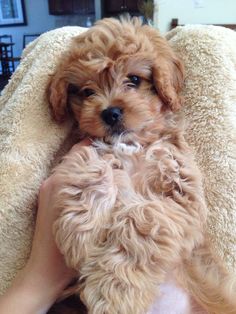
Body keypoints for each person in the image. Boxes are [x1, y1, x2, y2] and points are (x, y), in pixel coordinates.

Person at [0, 140, 202, 314]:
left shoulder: (170, 157)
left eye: (132, 90)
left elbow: (190, 218)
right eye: (87, 93)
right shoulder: (87, 157)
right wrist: (41, 276)